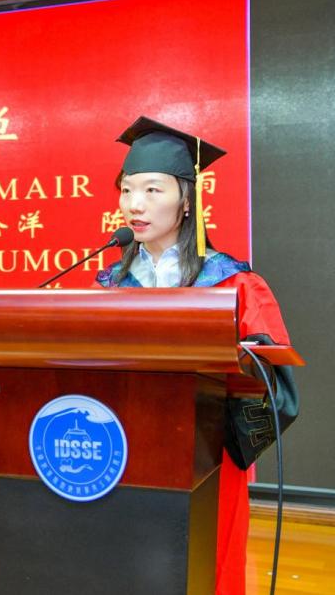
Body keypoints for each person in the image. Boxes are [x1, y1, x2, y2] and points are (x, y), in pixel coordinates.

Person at [96, 116, 296, 595]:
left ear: (187, 200)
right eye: (127, 190)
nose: (134, 204)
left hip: (208, 457)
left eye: (152, 190)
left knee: (208, 565)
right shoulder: (109, 285)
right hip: (126, 451)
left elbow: (274, 381)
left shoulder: (233, 283)